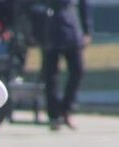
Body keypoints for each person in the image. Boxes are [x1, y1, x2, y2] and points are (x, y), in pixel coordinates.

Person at [41, 0, 91, 130]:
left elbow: (84, 4)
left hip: (71, 24)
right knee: (51, 74)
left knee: (78, 69)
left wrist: (87, 29)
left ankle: (66, 109)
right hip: (49, 24)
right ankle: (54, 115)